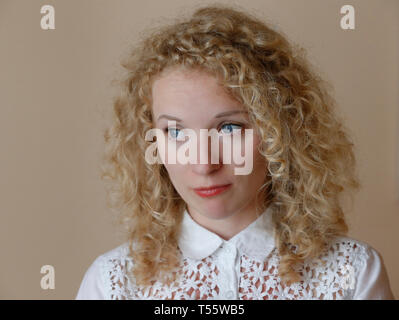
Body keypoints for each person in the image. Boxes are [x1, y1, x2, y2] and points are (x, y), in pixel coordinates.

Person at [75, 4, 395, 300]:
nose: (203, 164)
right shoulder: (113, 282)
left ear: (280, 131)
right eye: (176, 132)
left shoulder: (351, 274)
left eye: (229, 128)